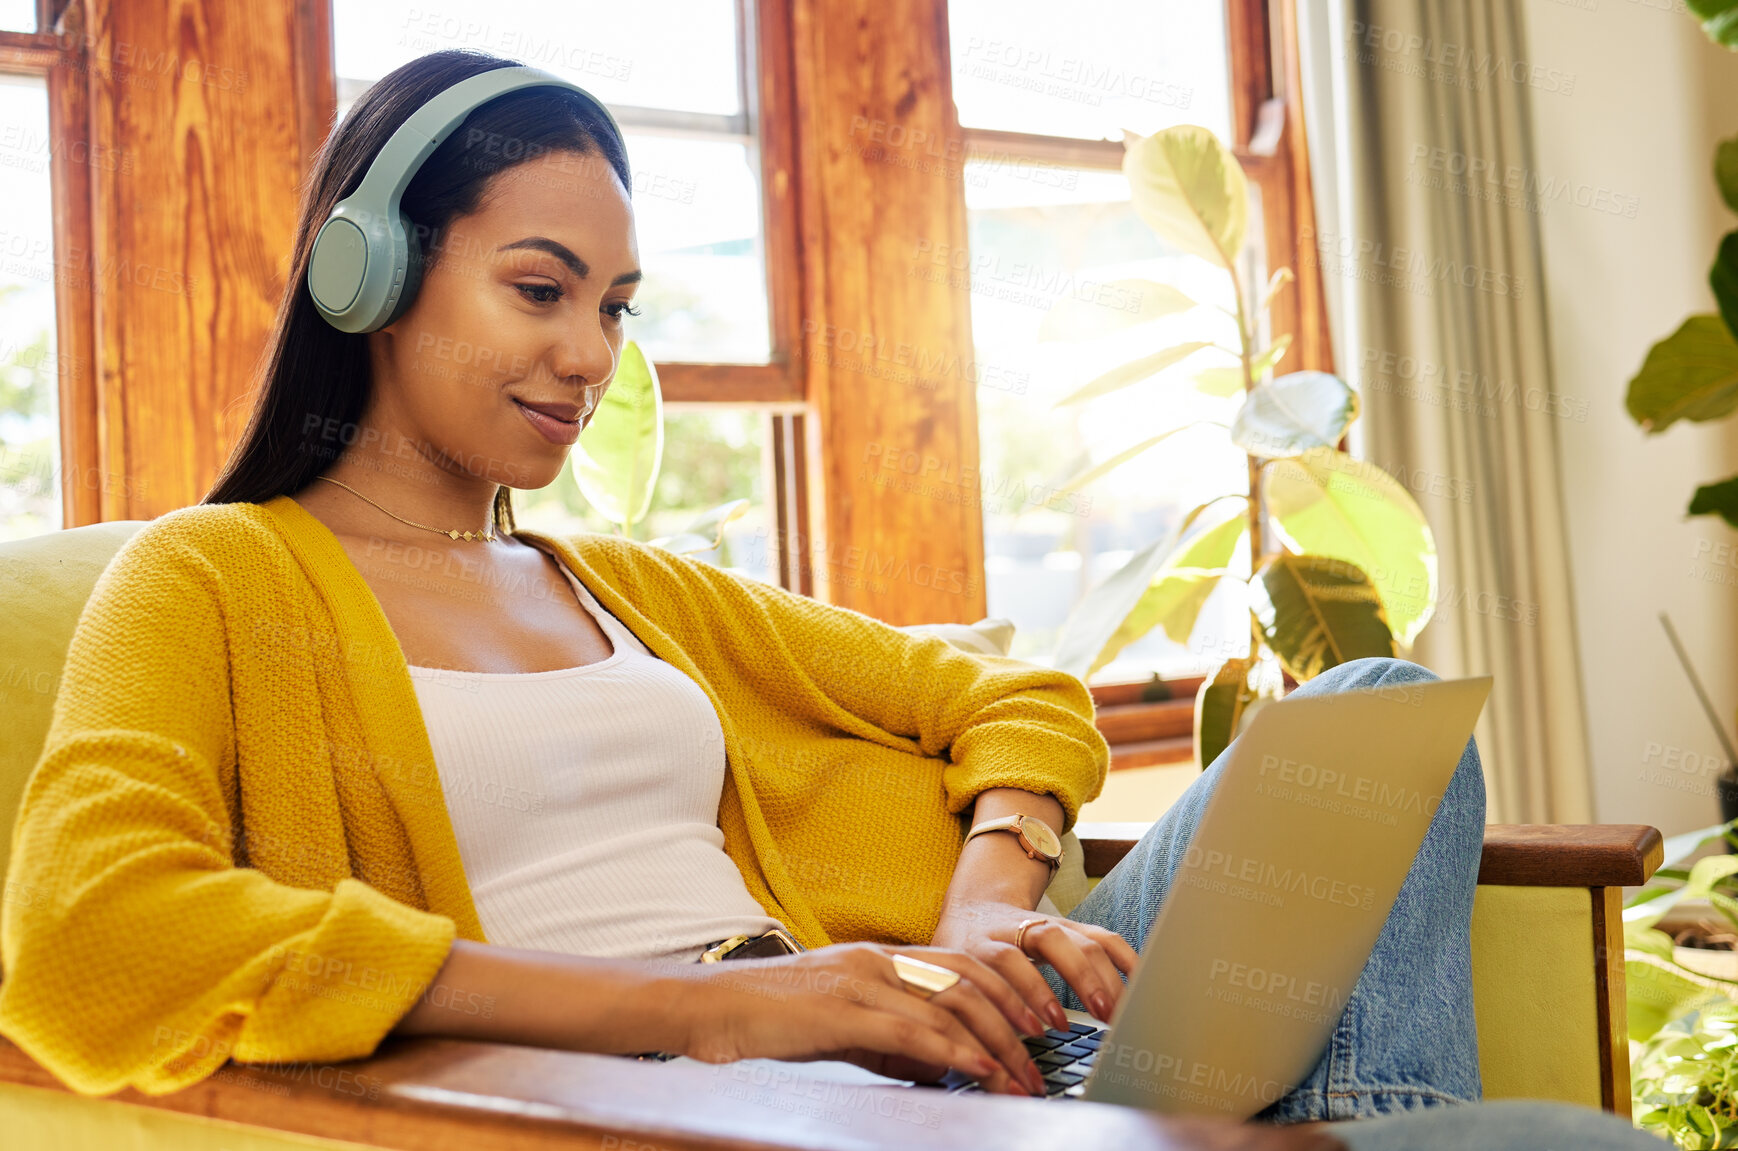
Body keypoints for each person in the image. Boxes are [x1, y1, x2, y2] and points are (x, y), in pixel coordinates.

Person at [0, 49, 1659, 1149]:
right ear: (367, 276)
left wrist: (978, 921)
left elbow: (1003, 701)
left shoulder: (633, 591)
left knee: (1375, 719)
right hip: (684, 1094)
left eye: (620, 308)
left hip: (899, 1049)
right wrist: (717, 1011)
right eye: (538, 290)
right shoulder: (212, 577)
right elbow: (89, 938)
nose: (589, 356)